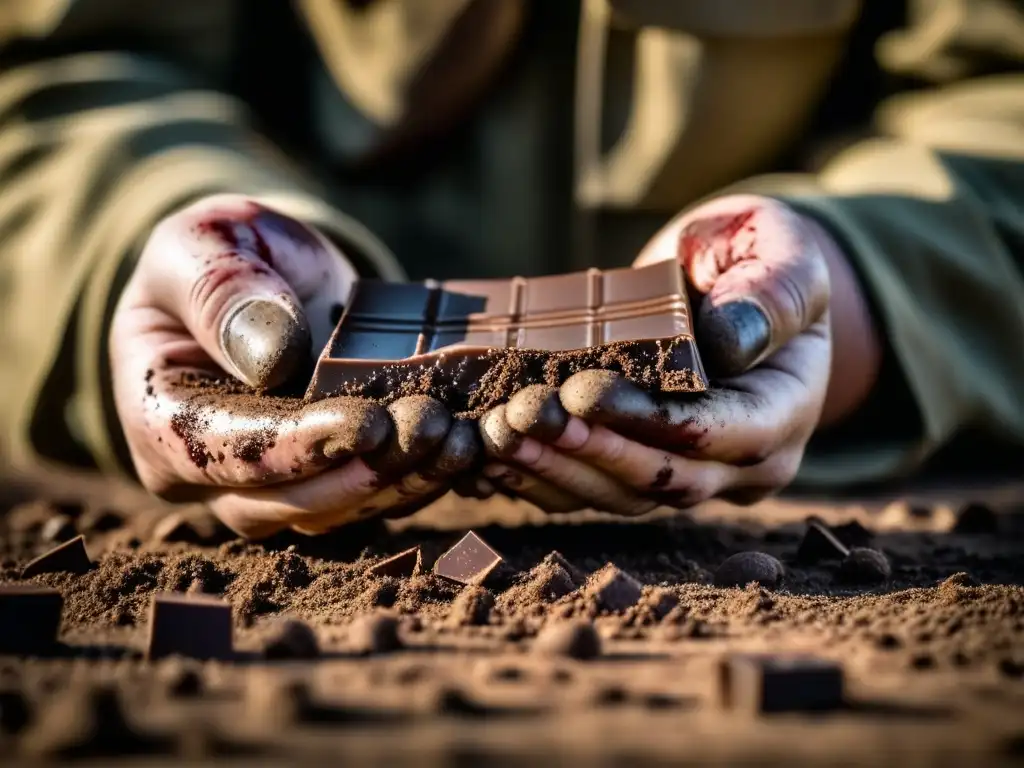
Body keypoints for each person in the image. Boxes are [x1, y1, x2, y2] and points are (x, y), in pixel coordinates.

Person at [1, 0, 1022, 539]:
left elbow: (999, 97)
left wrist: (849, 290)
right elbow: (67, 79)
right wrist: (138, 243)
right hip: (296, 402)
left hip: (834, 483)